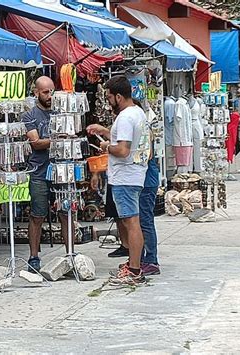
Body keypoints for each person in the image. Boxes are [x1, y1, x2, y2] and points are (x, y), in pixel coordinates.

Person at [87, 75, 150, 285]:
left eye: (109, 97)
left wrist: (105, 147)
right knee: (132, 221)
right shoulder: (137, 113)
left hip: (125, 176)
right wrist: (105, 131)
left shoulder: (125, 117)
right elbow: (127, 140)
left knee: (131, 222)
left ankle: (134, 269)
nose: (108, 101)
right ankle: (134, 265)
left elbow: (122, 150)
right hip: (135, 174)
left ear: (119, 96)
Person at [22, 76, 74, 273]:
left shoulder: (63, 112)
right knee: (37, 214)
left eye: (52, 91)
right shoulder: (30, 115)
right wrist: (59, 139)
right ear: (36, 92)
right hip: (39, 171)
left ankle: (70, 254)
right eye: (45, 92)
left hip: (62, 169)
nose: (50, 95)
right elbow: (35, 142)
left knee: (66, 212)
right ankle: (34, 257)